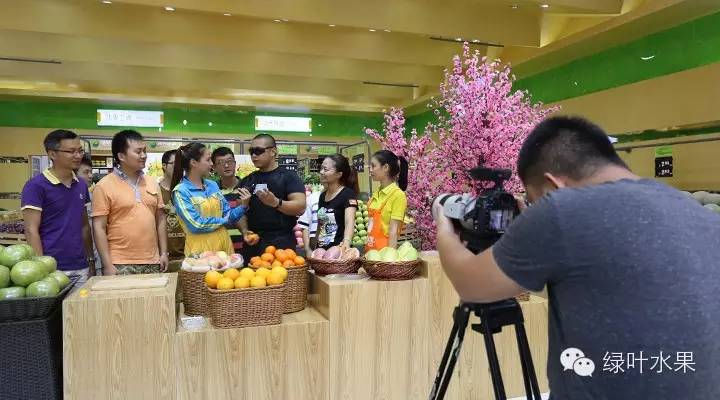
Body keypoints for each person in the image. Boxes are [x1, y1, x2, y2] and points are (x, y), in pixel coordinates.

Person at [433, 116, 720, 399]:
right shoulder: (698, 213)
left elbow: (470, 284)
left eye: (534, 200)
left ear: (553, 186)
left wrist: (444, 224)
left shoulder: (561, 210)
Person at [21, 129, 94, 285]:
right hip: (51, 269)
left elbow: (84, 226)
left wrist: (91, 260)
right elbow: (31, 230)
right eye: (71, 151)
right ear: (52, 154)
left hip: (80, 266)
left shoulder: (81, 185)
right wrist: (41, 269)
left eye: (80, 151)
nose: (78, 156)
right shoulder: (35, 186)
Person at [92, 130, 168, 275]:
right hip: (120, 263)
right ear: (121, 156)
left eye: (144, 151)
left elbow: (161, 219)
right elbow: (99, 227)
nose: (143, 155)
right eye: (138, 152)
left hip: (152, 261)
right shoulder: (104, 186)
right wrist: (107, 264)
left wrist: (164, 253)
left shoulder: (152, 182)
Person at [171, 142, 250, 256]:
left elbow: (228, 215)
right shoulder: (181, 191)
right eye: (208, 160)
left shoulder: (212, 185)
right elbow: (196, 225)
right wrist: (224, 221)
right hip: (200, 252)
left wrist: (243, 206)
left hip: (224, 247)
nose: (211, 164)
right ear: (194, 163)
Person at [237, 134, 306, 258]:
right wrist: (245, 231)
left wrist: (276, 202)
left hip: (281, 244)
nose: (254, 155)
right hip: (253, 242)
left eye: (258, 151)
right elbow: (239, 213)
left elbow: (300, 207)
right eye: (251, 151)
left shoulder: (289, 177)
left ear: (273, 151)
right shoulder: (247, 180)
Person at [312, 155, 358, 250]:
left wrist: (346, 242)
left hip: (338, 251)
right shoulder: (322, 196)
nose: (321, 172)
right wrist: (315, 247)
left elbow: (349, 222)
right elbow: (320, 225)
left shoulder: (347, 194)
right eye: (321, 168)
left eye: (325, 169)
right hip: (321, 251)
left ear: (339, 174)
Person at [366, 149, 408, 250]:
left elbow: (393, 232)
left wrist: (390, 257)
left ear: (385, 167)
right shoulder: (377, 193)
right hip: (370, 250)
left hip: (384, 253)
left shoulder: (398, 195)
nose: (370, 170)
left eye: (373, 166)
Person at [210, 147, 245, 254]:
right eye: (221, 163)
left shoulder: (246, 187)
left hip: (246, 246)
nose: (226, 165)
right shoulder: (211, 190)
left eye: (229, 161)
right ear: (214, 167)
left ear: (235, 164)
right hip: (220, 250)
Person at [158, 150, 186, 272]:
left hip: (187, 256)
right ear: (164, 166)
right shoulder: (155, 191)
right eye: (175, 163)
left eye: (181, 164)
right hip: (163, 257)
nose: (179, 168)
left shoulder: (186, 191)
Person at [76, 154, 100, 275]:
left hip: (96, 255)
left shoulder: (95, 196)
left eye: (91, 172)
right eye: (86, 172)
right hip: (77, 257)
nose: (90, 176)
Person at [299, 185, 323, 256]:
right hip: (314, 246)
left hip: (336, 245)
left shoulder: (344, 195)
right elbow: (304, 224)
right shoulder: (313, 197)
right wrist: (307, 249)